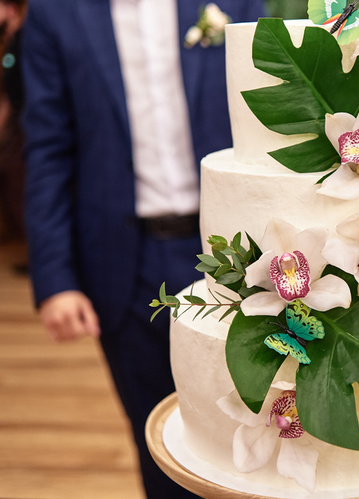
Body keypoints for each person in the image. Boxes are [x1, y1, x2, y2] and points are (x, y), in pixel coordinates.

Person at [21, 1, 265, 497]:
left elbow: (268, 114)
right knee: (159, 441)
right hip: (124, 264)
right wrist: (56, 280)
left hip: (238, 253)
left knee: (260, 428)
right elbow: (47, 148)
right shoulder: (54, 14)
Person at [0, 0, 25, 246]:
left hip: (31, 125)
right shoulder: (11, 43)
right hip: (19, 124)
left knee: (19, 186)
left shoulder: (26, 39)